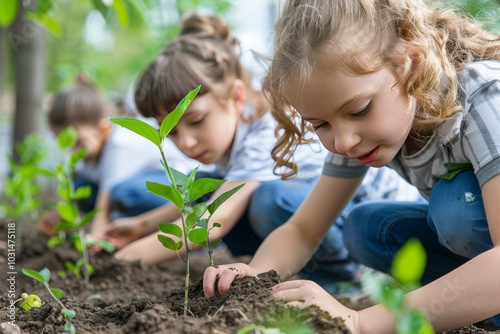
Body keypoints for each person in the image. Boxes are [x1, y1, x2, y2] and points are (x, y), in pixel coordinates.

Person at [202, 0, 500, 332]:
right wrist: (257, 275)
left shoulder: (485, 97)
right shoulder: (362, 128)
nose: (342, 143)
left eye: (358, 110)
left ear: (410, 64)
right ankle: (475, 302)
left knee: (456, 208)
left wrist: (360, 321)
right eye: (320, 125)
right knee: (367, 227)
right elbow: (303, 229)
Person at [103, 13, 421, 291]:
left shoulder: (263, 133)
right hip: (325, 221)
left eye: (196, 120)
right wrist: (140, 227)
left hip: (367, 219)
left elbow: (218, 218)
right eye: (170, 131)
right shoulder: (234, 144)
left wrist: (123, 261)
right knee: (213, 189)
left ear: (236, 97)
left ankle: (340, 276)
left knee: (268, 200)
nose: (185, 143)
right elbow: (203, 204)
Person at [38, 77, 198, 239]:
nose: (72, 151)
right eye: (63, 141)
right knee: (81, 186)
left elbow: (103, 203)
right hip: (139, 182)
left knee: (124, 194)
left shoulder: (118, 144)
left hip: (179, 186)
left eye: (77, 142)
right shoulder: (84, 154)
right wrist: (59, 218)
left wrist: (95, 238)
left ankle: (162, 230)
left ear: (104, 129)